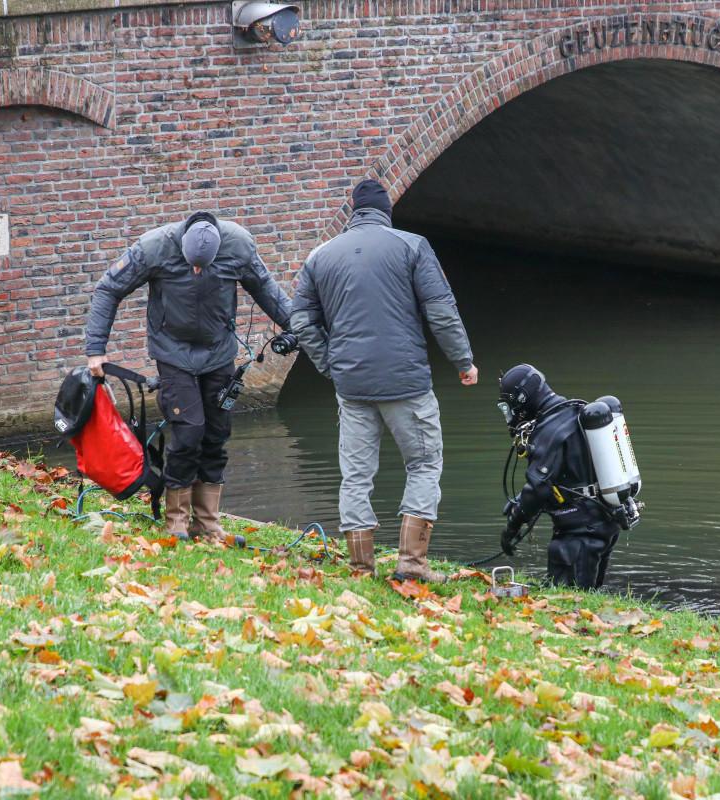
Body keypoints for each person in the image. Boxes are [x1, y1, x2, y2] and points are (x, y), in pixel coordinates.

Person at [291, 178, 478, 581]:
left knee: (356, 476)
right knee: (425, 463)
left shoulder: (319, 257)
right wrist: (463, 361)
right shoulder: (413, 246)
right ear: (386, 210)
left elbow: (301, 320)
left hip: (352, 386)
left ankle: (361, 567)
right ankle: (411, 564)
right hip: (406, 383)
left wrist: (330, 364)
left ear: (351, 209)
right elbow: (441, 312)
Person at [84, 211, 293, 540]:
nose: (197, 271)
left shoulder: (238, 246)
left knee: (216, 434)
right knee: (189, 431)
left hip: (218, 352)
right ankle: (176, 520)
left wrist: (298, 328)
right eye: (191, 265)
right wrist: (96, 349)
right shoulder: (155, 247)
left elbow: (266, 289)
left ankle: (208, 523)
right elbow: (109, 288)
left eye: (203, 267)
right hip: (173, 352)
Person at [497, 364, 621, 589]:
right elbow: (569, 477)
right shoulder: (573, 412)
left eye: (508, 407)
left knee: (568, 600)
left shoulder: (549, 431)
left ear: (521, 400)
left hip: (578, 534)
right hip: (603, 521)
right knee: (588, 597)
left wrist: (512, 527)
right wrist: (519, 499)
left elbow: (538, 489)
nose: (510, 415)